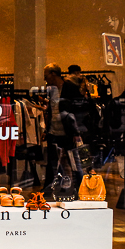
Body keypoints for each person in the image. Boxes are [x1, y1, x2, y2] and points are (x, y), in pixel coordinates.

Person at [42, 63, 84, 196]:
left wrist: (76, 132)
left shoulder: (70, 87)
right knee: (52, 161)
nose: (45, 79)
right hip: (53, 130)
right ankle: (49, 186)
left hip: (67, 131)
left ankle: (80, 187)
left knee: (73, 160)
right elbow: (52, 109)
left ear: (53, 74)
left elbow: (78, 110)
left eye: (46, 75)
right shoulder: (52, 89)